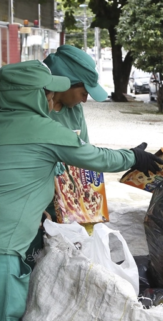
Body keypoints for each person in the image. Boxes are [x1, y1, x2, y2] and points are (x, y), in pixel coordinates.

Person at [0, 60, 163, 321]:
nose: (54, 98)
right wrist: (133, 157)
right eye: (49, 92)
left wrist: (32, 207)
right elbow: (94, 158)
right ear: (33, 95)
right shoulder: (42, 128)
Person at [23, 45, 108, 266]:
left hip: (68, 206)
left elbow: (86, 154)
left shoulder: (74, 110)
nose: (85, 100)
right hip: (34, 207)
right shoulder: (31, 110)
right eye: (84, 93)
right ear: (66, 84)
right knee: (35, 264)